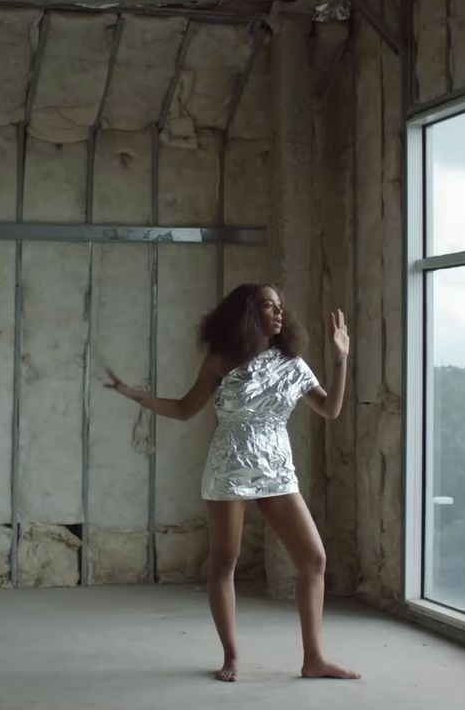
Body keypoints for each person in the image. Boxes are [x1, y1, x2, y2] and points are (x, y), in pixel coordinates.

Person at [105, 283, 359, 682]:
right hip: (229, 467)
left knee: (313, 559)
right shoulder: (221, 360)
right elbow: (186, 409)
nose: (279, 313)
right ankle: (232, 656)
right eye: (268, 306)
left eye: (280, 306)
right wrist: (138, 397)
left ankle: (314, 659)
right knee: (225, 561)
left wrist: (341, 360)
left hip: (276, 469)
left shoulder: (291, 363)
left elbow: (331, 409)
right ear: (247, 313)